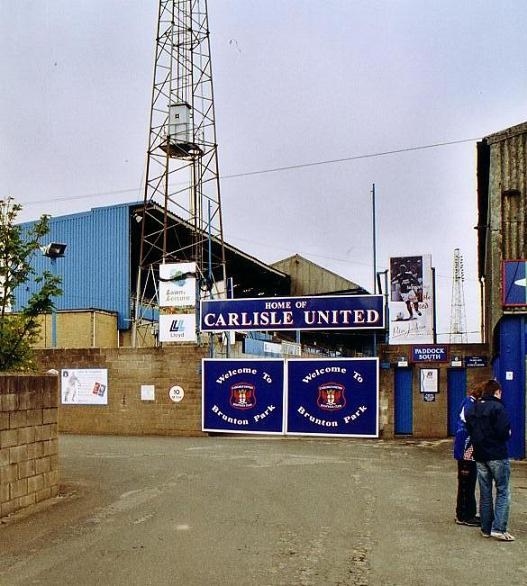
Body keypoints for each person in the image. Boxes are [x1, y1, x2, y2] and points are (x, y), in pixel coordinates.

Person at [465, 379, 514, 541]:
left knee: (485, 493)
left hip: (480, 456)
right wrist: (508, 433)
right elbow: (503, 432)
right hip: (497, 455)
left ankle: (486, 528)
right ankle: (499, 528)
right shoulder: (499, 408)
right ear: (497, 392)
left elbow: (470, 429)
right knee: (503, 490)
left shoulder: (474, 407)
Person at [453, 382, 484, 527]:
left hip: (464, 447)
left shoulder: (467, 402)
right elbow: (473, 424)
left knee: (467, 482)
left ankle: (466, 512)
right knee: (467, 483)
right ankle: (465, 515)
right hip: (467, 449)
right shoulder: (470, 405)